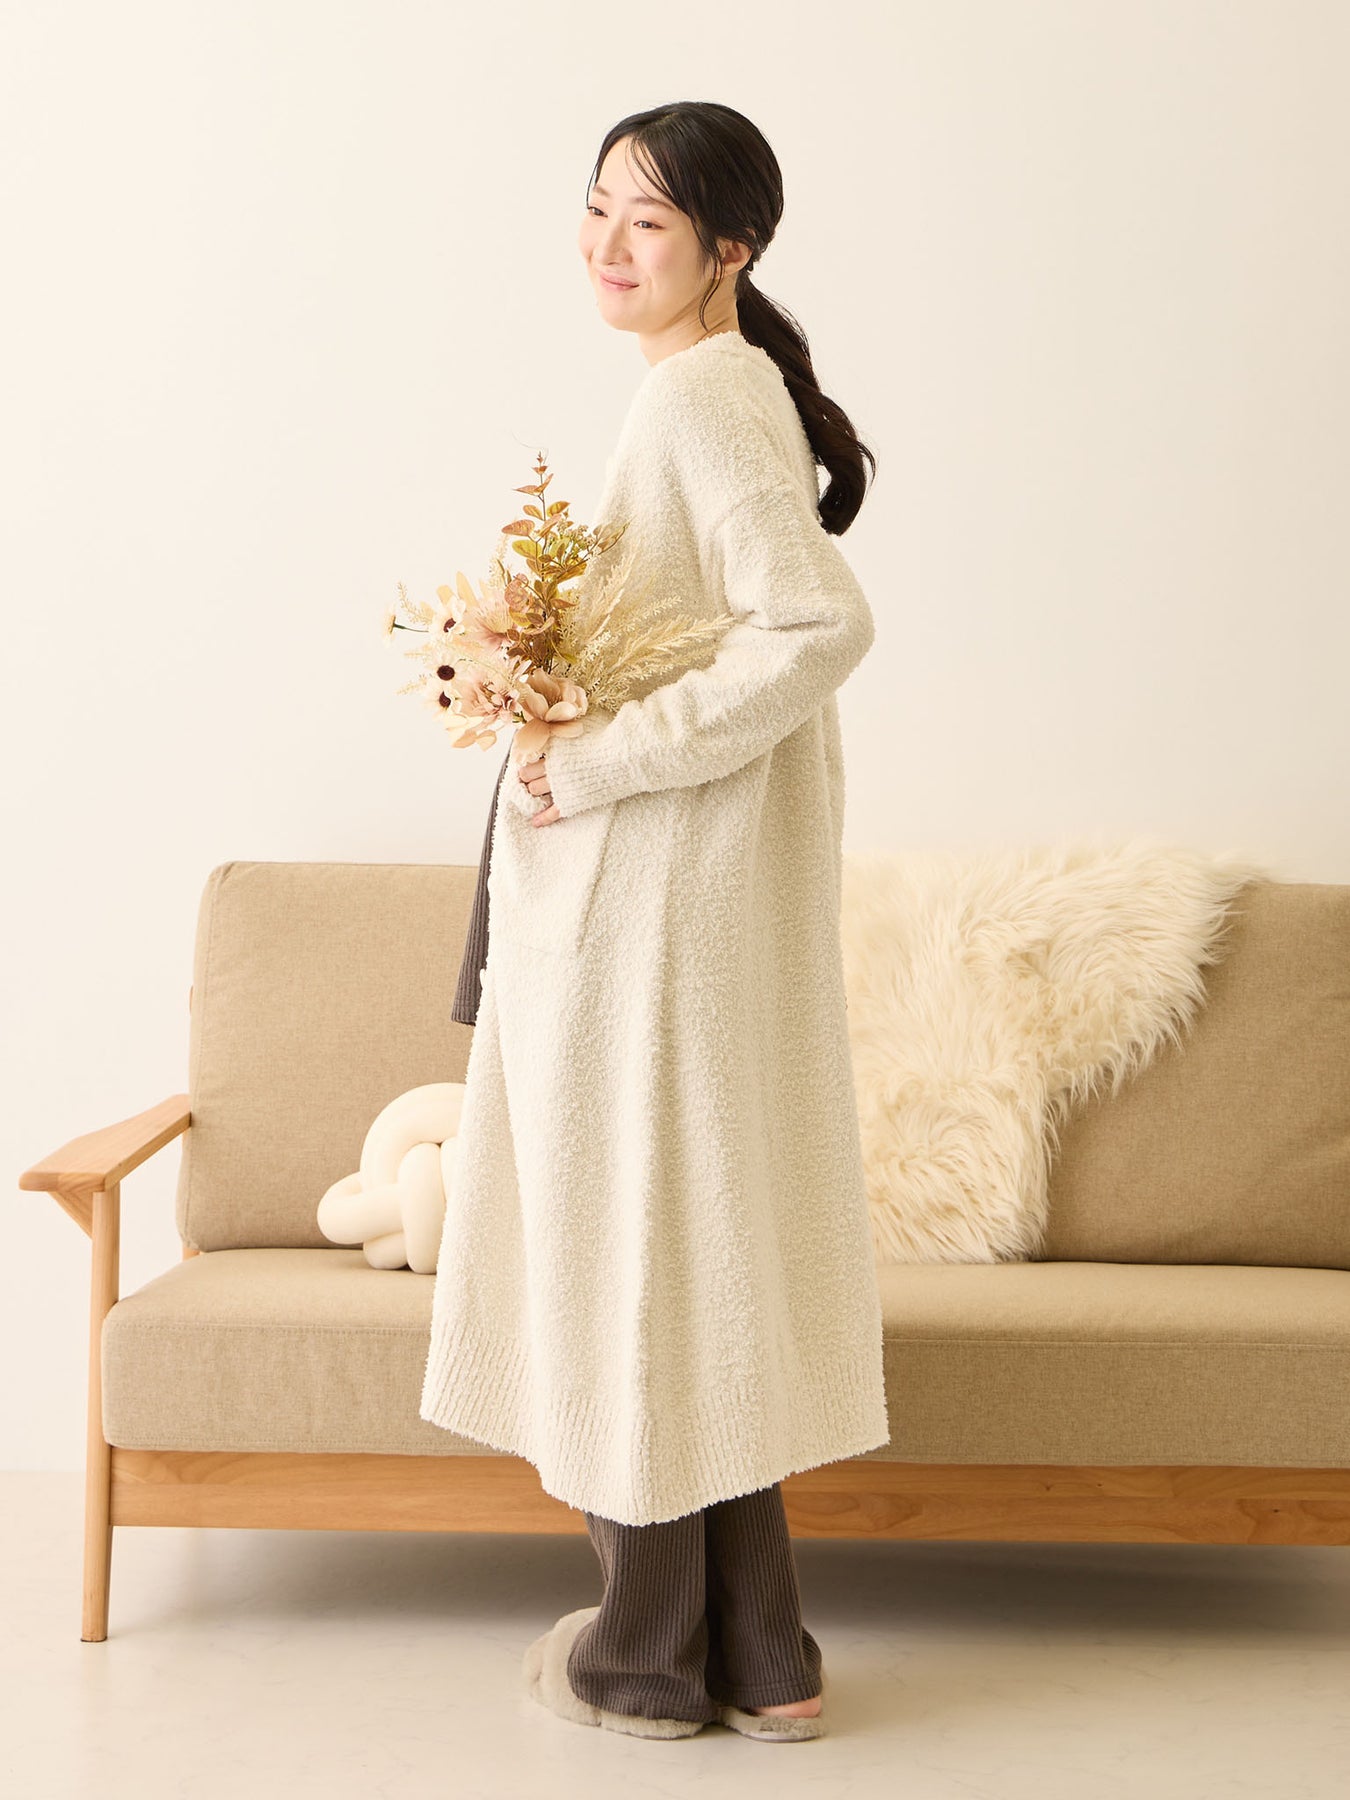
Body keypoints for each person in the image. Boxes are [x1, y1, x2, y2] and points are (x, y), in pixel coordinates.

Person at [422, 100, 887, 1741]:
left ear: (728, 249)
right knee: (686, 1263)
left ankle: (639, 1660)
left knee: (629, 1260)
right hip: (672, 921)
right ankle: (760, 1659)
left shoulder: (699, 396)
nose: (607, 246)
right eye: (597, 208)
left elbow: (814, 626)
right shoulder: (718, 390)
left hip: (653, 930)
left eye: (649, 222)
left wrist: (594, 756)